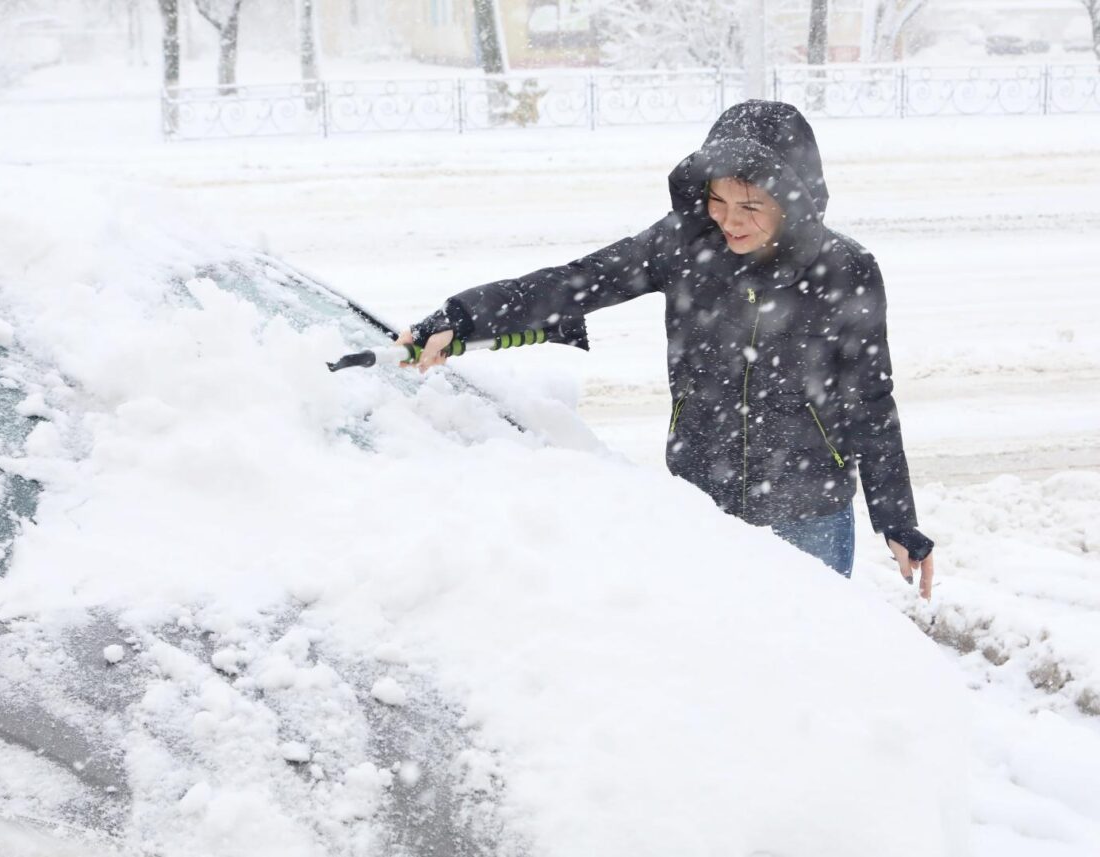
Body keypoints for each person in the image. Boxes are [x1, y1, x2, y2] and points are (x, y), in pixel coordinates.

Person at [399, 100, 936, 597]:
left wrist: (895, 518)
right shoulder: (683, 245)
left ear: (794, 202)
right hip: (702, 501)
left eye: (750, 205)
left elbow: (870, 399)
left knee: (810, 660)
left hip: (809, 510)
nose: (728, 220)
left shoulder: (845, 270)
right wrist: (463, 318)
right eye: (718, 200)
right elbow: (576, 281)